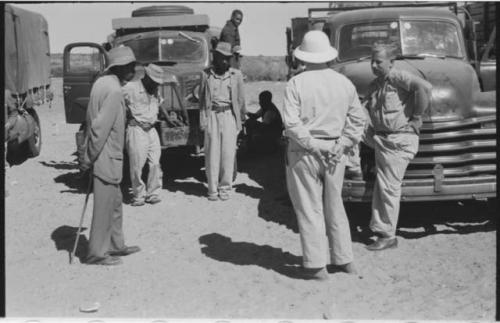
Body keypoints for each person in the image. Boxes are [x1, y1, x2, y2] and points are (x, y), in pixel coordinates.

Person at [280, 31, 366, 280]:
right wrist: (343, 143)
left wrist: (313, 144)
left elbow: (292, 123)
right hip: (335, 152)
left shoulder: (296, 83)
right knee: (335, 205)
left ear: (304, 56)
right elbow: (358, 120)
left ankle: (317, 265)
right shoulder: (344, 83)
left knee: (309, 208)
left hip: (304, 151)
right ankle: (344, 259)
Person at [358, 44, 432, 251]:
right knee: (383, 185)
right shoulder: (376, 84)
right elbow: (362, 107)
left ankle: (387, 235)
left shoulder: (398, 77)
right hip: (382, 140)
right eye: (371, 61)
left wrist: (417, 118)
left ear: (391, 62)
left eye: (378, 62)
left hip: (398, 141)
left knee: (388, 187)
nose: (373, 65)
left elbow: (424, 88)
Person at [80, 46, 141, 266]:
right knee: (104, 207)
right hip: (105, 158)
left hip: (107, 157)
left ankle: (116, 245)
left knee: (115, 204)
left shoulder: (103, 83)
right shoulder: (114, 91)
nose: (134, 70)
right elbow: (99, 129)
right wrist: (88, 159)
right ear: (121, 67)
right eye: (131, 66)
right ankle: (96, 254)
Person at [199, 41, 246, 201]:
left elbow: (240, 100)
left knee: (227, 153)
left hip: (229, 117)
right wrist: (203, 120)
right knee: (212, 153)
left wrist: (241, 122)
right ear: (215, 57)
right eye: (222, 58)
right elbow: (202, 101)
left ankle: (225, 188)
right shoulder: (206, 74)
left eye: (228, 58)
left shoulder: (236, 75)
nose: (225, 61)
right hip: (212, 114)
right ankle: (212, 189)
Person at [123, 64, 165, 206]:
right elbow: (116, 99)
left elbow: (159, 104)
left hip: (152, 130)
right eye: (154, 81)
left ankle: (153, 193)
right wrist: (127, 116)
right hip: (137, 130)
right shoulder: (130, 88)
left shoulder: (156, 89)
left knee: (155, 163)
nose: (156, 84)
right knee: (137, 165)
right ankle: (138, 195)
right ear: (146, 77)